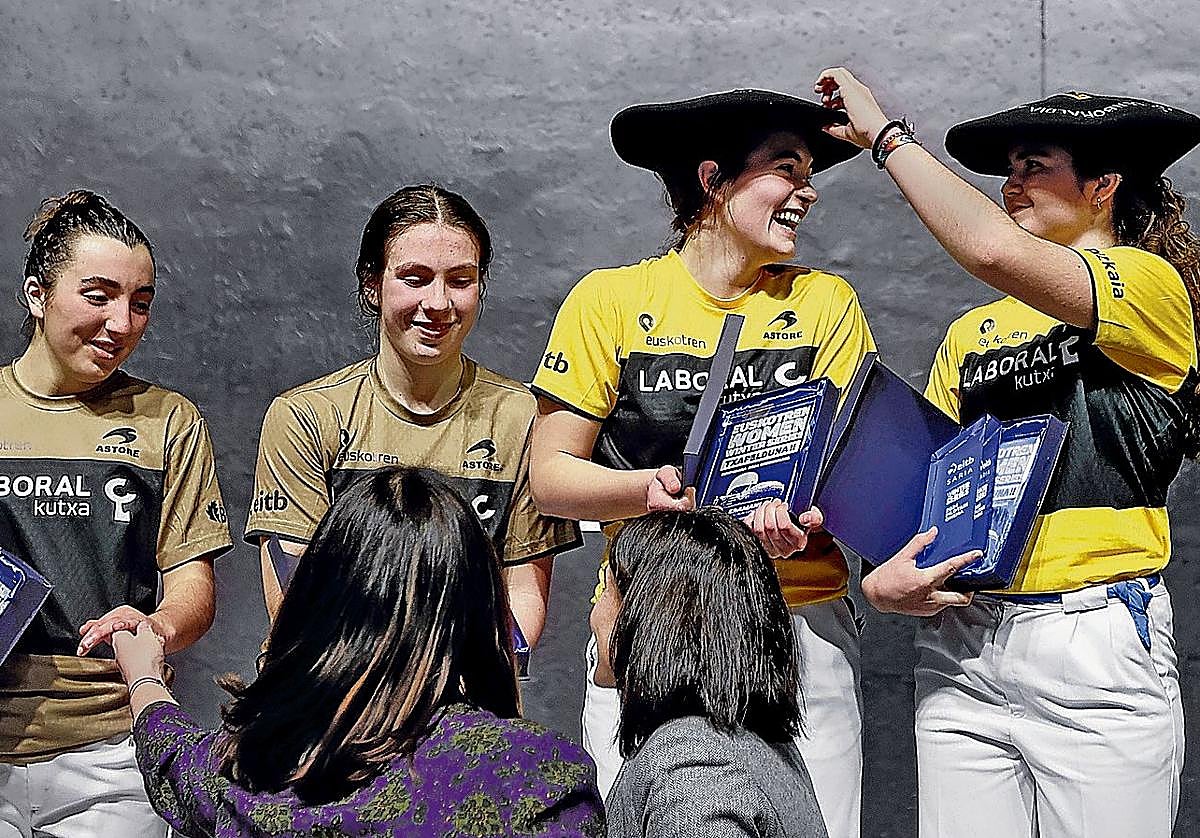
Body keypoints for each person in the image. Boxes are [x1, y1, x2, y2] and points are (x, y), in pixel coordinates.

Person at [814, 68, 1200, 837]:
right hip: (963, 643)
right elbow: (927, 491)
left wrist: (885, 138)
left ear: (1103, 186)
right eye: (1010, 169)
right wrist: (885, 579)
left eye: (1034, 166)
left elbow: (990, 249)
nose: (1010, 184)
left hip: (1092, 635)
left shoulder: (1148, 283)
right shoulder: (971, 334)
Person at [530, 88, 875, 836]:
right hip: (651, 621)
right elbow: (551, 477)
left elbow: (852, 471)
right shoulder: (610, 300)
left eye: (810, 172)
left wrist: (811, 517)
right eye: (786, 168)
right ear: (714, 179)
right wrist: (646, 492)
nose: (808, 190)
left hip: (798, 624)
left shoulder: (827, 304)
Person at [113, 466, 605, 837]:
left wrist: (144, 678)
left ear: (318, 596)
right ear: (480, 602)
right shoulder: (537, 776)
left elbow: (175, 761)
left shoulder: (248, 765)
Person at [246, 184, 580, 649]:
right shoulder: (305, 416)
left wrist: (462, 678)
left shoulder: (523, 418)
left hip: (465, 688)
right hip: (328, 683)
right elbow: (294, 601)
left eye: (460, 280)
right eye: (415, 278)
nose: (439, 303)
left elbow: (522, 595)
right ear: (372, 284)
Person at [0, 189, 232, 837]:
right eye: (98, 295)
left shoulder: (169, 421)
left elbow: (192, 589)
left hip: (112, 752)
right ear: (37, 294)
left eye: (140, 302)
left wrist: (154, 628)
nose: (121, 323)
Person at [597, 507, 828, 838]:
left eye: (607, 593)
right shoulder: (738, 744)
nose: (594, 614)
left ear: (650, 620)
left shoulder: (692, 770)